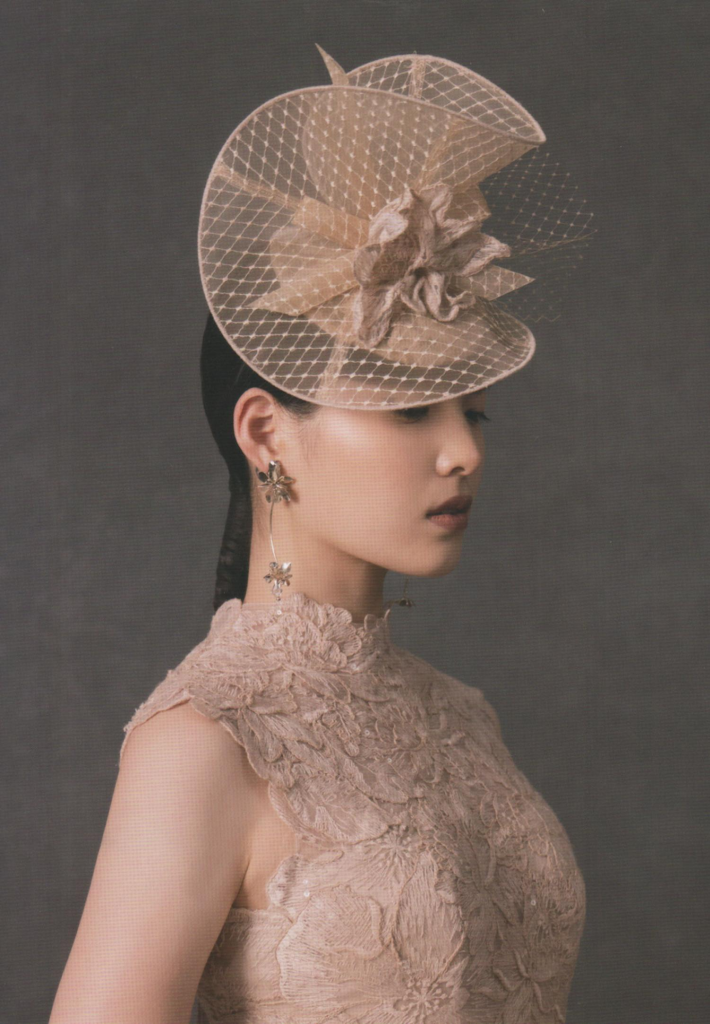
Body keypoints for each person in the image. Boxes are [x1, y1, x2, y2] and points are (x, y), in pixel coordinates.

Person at [50, 46, 592, 1024]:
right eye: (408, 411)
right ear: (266, 432)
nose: (462, 451)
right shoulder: (207, 743)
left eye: (473, 413)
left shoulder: (462, 716)